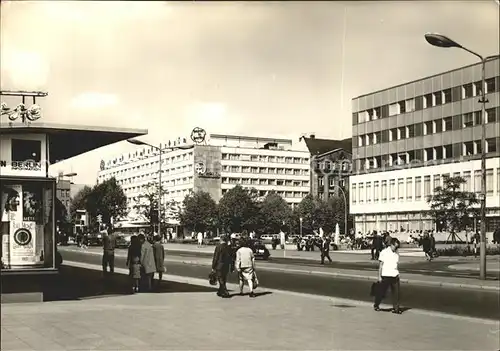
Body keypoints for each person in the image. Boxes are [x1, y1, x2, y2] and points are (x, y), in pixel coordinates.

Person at [374, 238, 402, 314]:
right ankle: (376, 304)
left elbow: (396, 265)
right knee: (382, 292)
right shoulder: (384, 252)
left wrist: (398, 274)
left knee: (396, 293)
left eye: (397, 247)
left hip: (395, 275)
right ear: (391, 245)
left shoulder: (396, 254)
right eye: (395, 247)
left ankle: (396, 309)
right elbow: (380, 266)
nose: (396, 248)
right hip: (386, 275)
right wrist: (379, 276)